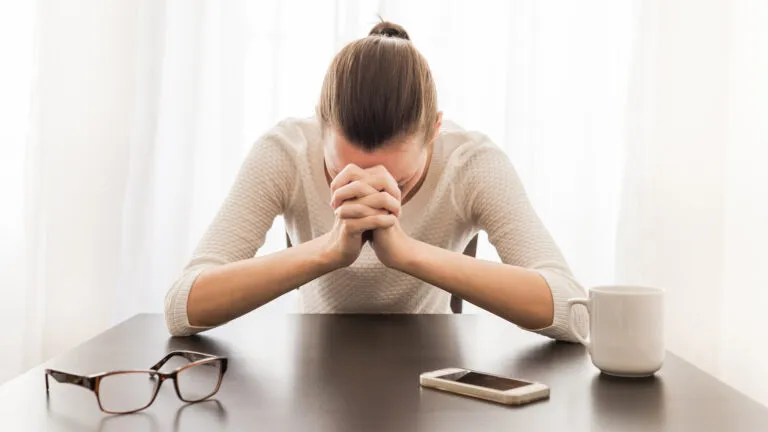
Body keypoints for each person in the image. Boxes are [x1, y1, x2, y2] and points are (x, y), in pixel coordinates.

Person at [164, 21, 587, 341]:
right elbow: (182, 307)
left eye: (398, 182)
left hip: (433, 380)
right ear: (319, 124)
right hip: (311, 376)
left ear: (435, 130)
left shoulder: (470, 162)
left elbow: (574, 312)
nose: (372, 195)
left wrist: (407, 253)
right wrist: (329, 250)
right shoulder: (286, 151)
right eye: (342, 174)